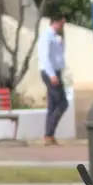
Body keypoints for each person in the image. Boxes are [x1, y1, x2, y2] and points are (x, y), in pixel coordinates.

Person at [37, 15, 68, 146]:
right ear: (55, 22)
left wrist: (62, 41)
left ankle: (49, 135)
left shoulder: (56, 37)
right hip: (49, 72)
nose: (63, 25)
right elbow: (44, 57)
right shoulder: (46, 36)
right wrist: (51, 74)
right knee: (63, 103)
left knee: (53, 105)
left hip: (56, 71)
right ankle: (49, 133)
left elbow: (60, 55)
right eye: (61, 23)